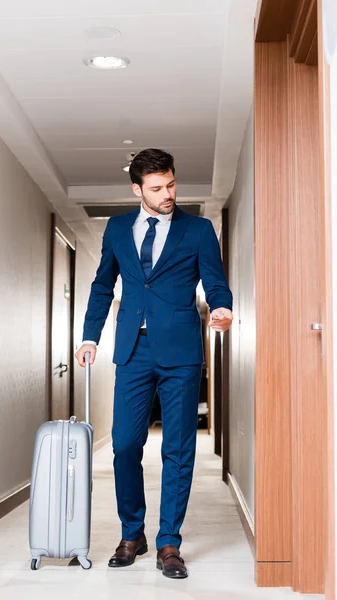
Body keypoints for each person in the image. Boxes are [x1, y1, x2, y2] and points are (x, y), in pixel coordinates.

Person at [75, 148, 233, 579]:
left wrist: (221, 308)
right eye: (157, 188)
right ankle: (133, 533)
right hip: (132, 350)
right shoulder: (118, 228)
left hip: (181, 353)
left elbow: (216, 282)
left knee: (177, 450)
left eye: (171, 185)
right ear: (137, 189)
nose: (167, 194)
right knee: (124, 445)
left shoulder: (198, 230)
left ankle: (168, 542)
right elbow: (103, 283)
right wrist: (90, 336)